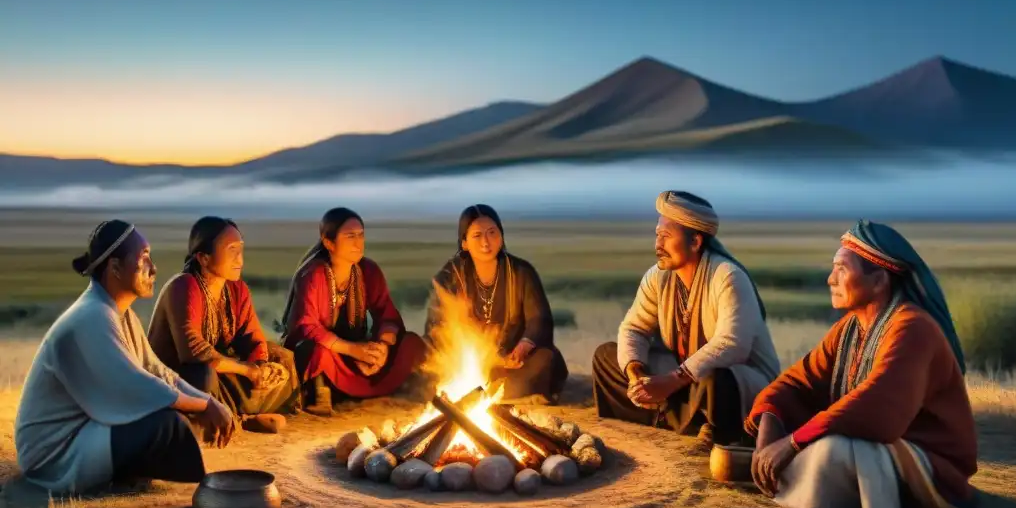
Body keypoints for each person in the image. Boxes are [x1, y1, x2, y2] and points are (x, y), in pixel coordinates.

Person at [744, 220, 978, 508]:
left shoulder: (913, 328)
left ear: (879, 280)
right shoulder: (850, 328)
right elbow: (798, 381)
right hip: (878, 449)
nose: (831, 279)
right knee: (808, 437)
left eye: (841, 269)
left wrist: (792, 442)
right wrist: (769, 428)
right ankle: (773, 469)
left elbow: (877, 407)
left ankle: (781, 476)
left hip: (930, 466)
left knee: (833, 451)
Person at [14, 220, 234, 495]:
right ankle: (134, 471)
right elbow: (137, 385)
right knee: (166, 425)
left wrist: (207, 400)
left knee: (197, 384)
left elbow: (160, 373)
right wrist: (204, 406)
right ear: (115, 268)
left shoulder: (122, 315)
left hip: (91, 427)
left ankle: (132, 467)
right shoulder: (92, 317)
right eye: (143, 259)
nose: (153, 269)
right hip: (56, 453)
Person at [592, 191, 780, 449]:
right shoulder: (657, 276)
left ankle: (702, 424)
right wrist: (637, 375)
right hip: (682, 378)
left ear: (695, 242)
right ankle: (674, 415)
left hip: (736, 381)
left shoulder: (727, 276)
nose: (658, 245)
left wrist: (671, 380)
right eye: (657, 235)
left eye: (666, 237)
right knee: (606, 357)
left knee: (716, 379)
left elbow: (733, 345)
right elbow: (634, 329)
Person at [148, 216, 299, 434]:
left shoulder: (237, 289)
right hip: (180, 379)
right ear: (203, 258)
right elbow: (194, 352)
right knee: (204, 374)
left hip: (222, 371)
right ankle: (225, 417)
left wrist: (261, 368)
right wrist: (248, 370)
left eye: (241, 250)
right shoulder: (183, 286)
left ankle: (240, 413)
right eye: (231, 250)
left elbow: (253, 338)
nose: (240, 259)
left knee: (283, 358)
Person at [280, 208, 427, 416]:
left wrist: (381, 348)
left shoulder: (369, 270)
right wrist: (352, 350)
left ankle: (391, 385)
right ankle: (320, 392)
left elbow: (387, 315)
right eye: (350, 237)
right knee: (316, 351)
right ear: (329, 243)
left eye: (361, 235)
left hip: (358, 355)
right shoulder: (313, 274)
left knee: (410, 343)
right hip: (331, 355)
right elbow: (307, 327)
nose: (358, 243)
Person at [425, 204, 568, 403]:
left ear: (501, 235)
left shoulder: (521, 272)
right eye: (477, 235)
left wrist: (523, 347)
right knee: (425, 362)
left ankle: (494, 391)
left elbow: (539, 319)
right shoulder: (450, 277)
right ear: (464, 242)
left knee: (544, 358)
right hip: (469, 360)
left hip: (514, 362)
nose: (486, 242)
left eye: (492, 233)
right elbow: (435, 327)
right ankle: (492, 390)